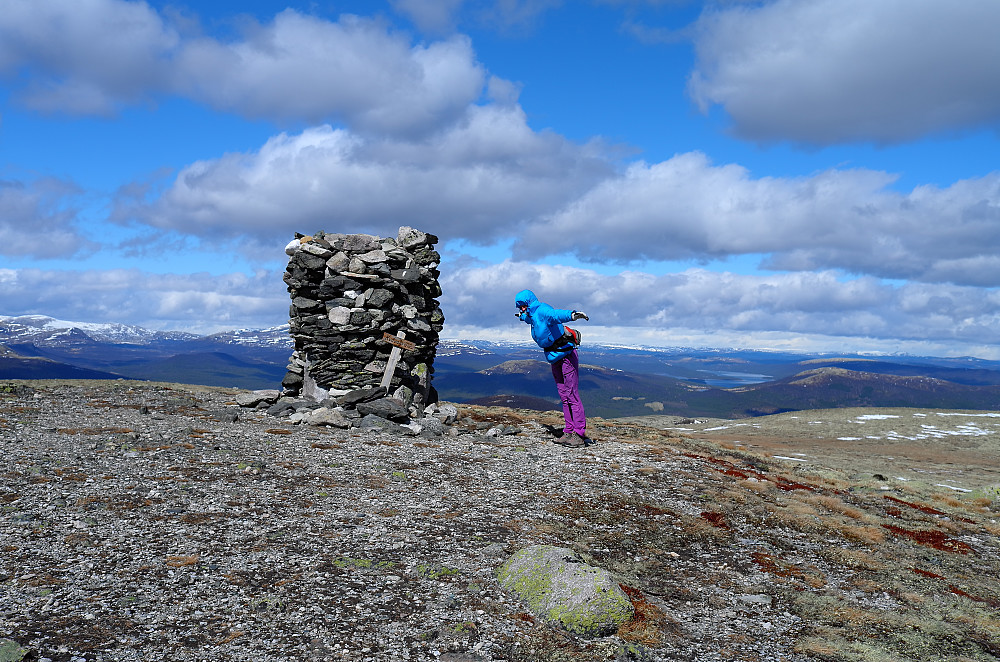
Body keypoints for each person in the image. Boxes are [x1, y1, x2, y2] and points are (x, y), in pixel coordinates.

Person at [514, 289, 590, 448]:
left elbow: (556, 315)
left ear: (528, 303)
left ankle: (579, 434)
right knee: (564, 395)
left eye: (521, 306)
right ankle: (568, 431)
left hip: (567, 355)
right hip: (554, 357)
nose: (521, 309)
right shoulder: (531, 315)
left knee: (571, 394)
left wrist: (572, 315)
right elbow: (528, 319)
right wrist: (521, 317)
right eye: (519, 307)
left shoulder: (542, 310)